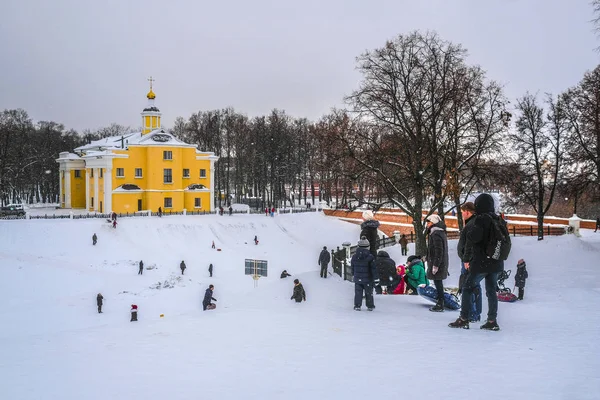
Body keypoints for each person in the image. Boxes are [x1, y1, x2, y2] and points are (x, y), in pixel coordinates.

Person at [449, 193, 505, 331]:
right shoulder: (498, 220)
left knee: (467, 288)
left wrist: (466, 259)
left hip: (481, 262)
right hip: (496, 262)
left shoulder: (480, 220)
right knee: (491, 291)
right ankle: (492, 320)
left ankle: (464, 318)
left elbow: (471, 240)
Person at [457, 201, 481, 322]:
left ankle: (472, 313)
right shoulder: (472, 223)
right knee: (473, 286)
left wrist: (466, 259)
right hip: (469, 260)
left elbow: (469, 244)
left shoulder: (471, 224)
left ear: (467, 211)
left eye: (462, 212)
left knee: (469, 286)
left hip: (469, 261)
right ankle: (474, 313)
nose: (462, 215)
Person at [425, 214, 449, 312]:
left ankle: (440, 303)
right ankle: (440, 301)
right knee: (438, 282)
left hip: (438, 262)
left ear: (433, 223)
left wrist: (436, 265)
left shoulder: (435, 234)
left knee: (438, 282)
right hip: (440, 262)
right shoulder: (439, 232)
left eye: (429, 222)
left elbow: (438, 250)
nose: (427, 224)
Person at [351, 236, 378, 311]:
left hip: (357, 278)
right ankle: (370, 306)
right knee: (369, 293)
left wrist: (353, 274)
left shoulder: (354, 257)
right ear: (368, 247)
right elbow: (373, 269)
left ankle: (357, 305)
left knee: (358, 293)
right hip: (368, 279)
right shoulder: (370, 257)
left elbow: (352, 267)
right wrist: (376, 278)